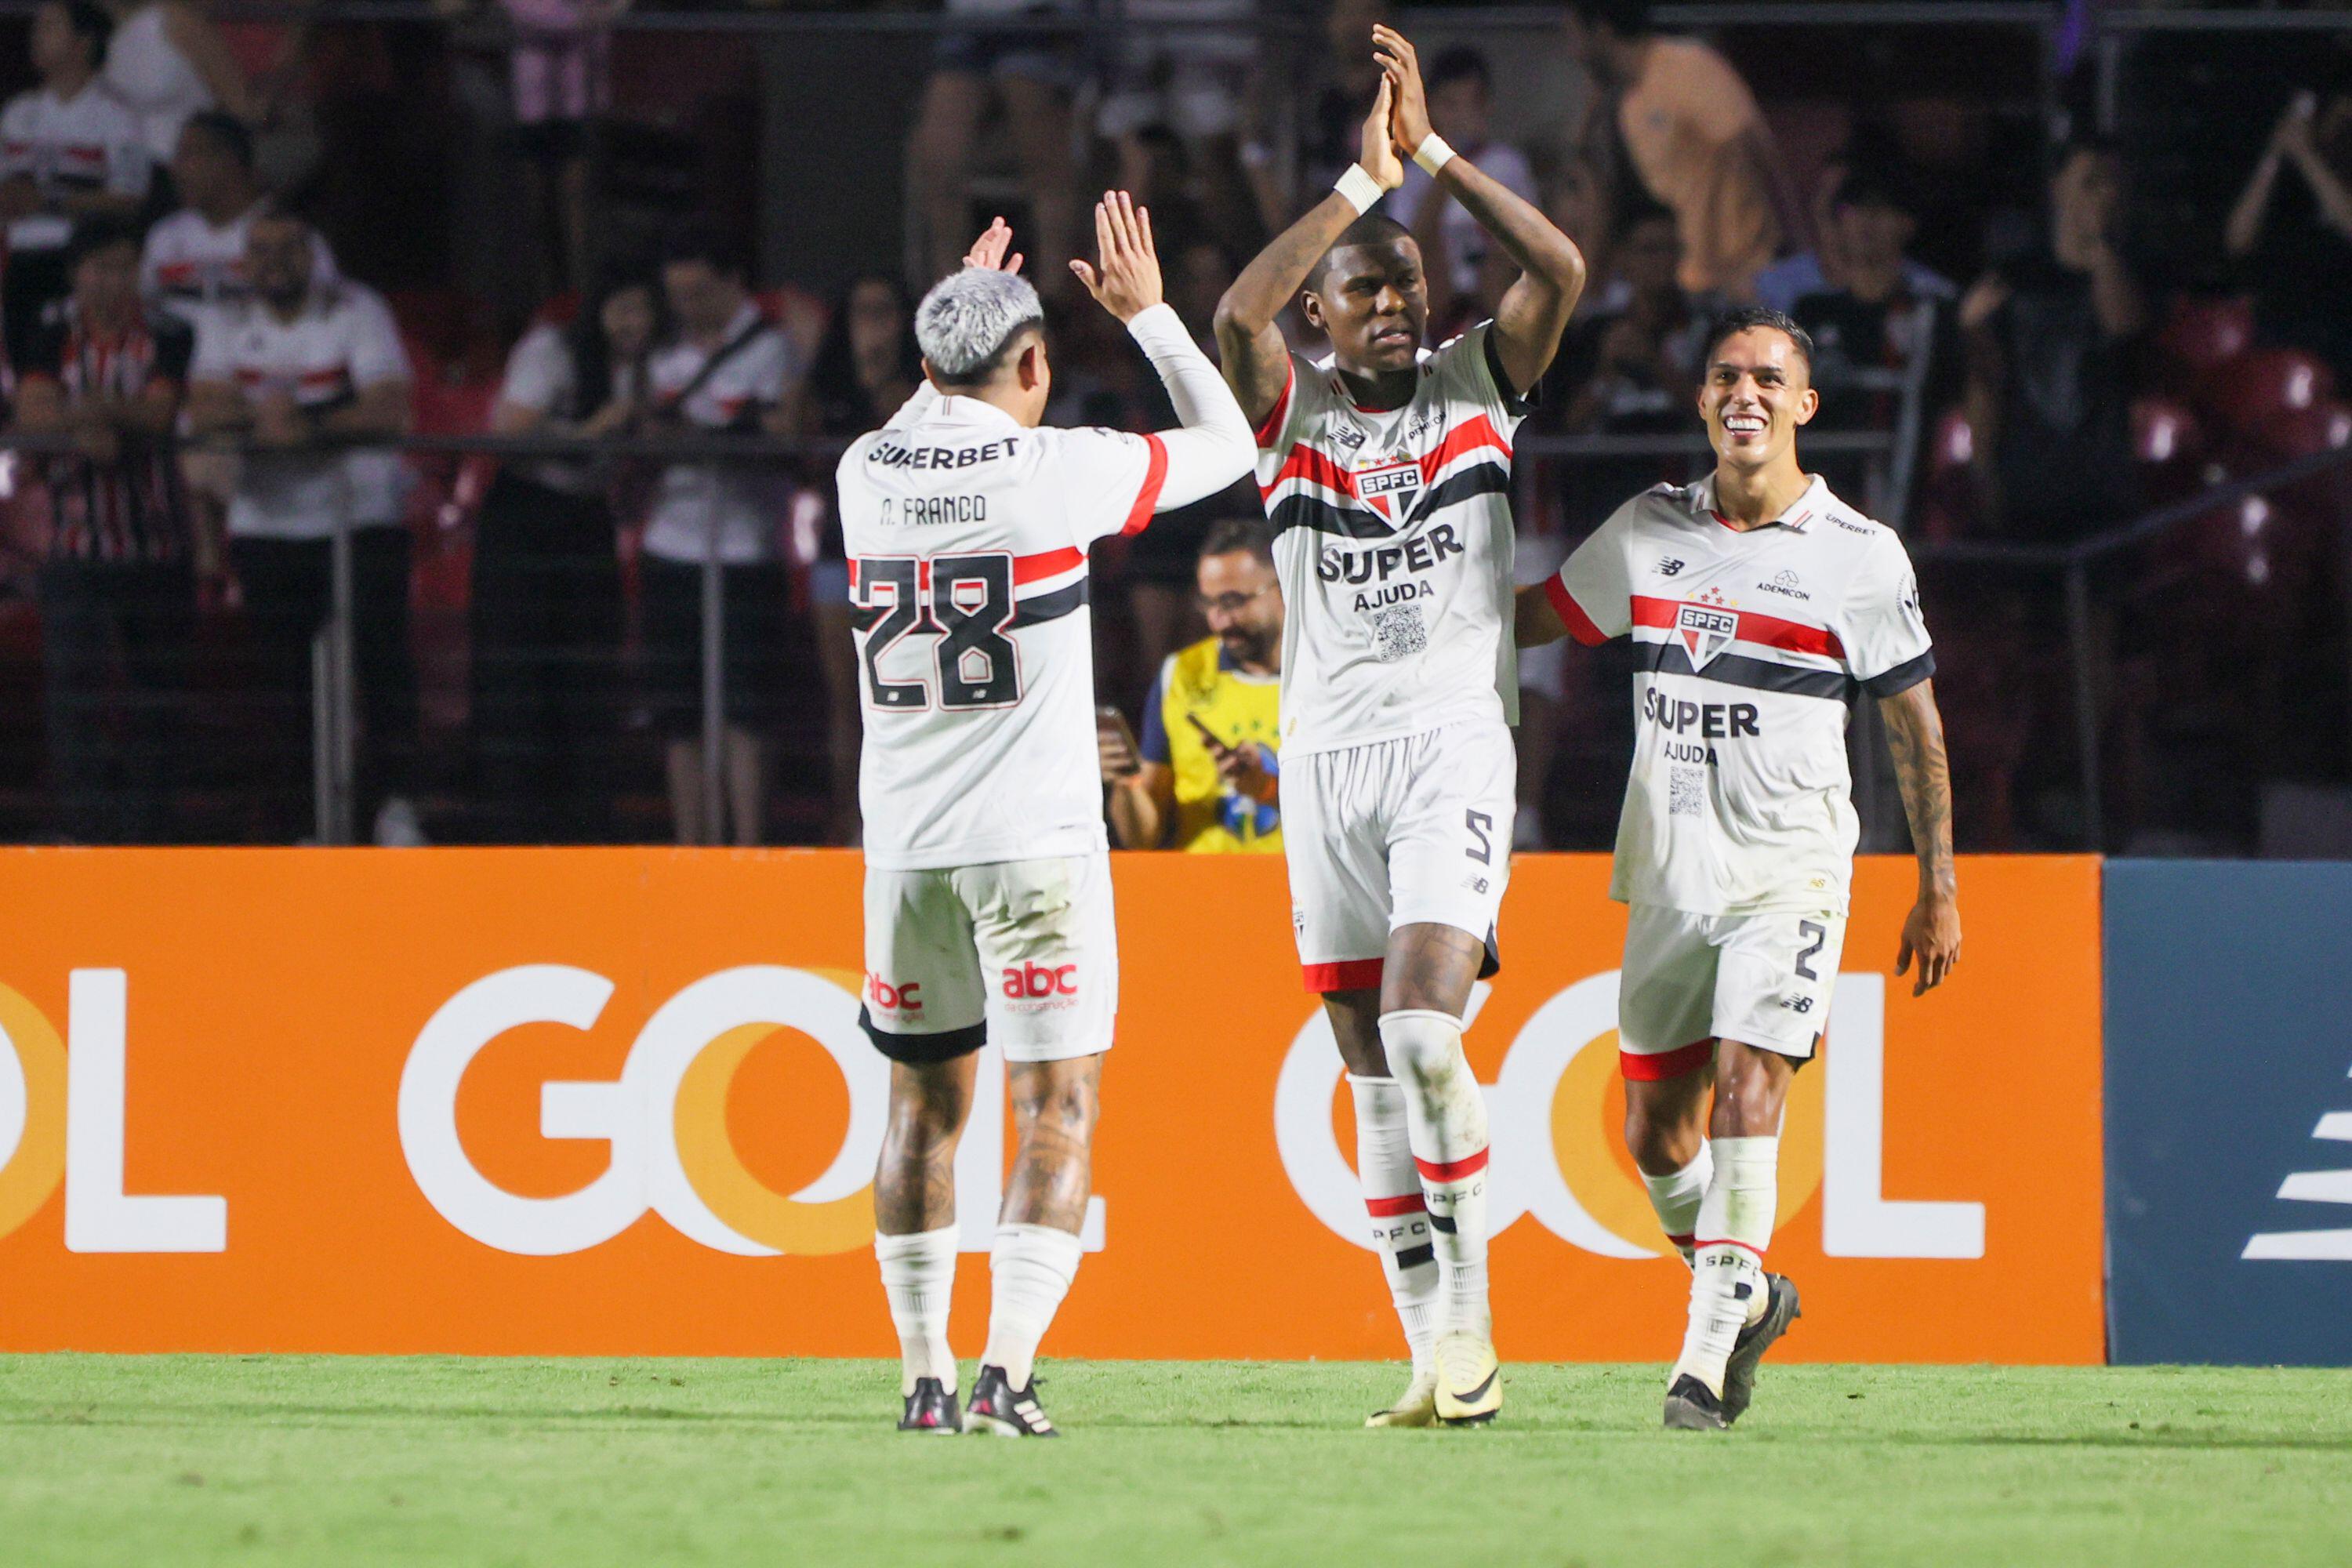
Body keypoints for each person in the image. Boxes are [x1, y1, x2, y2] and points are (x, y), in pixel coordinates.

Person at [1214, 26, 1584, 1427]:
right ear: (1326, 313)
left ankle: (1479, 1332)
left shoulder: (1478, 385)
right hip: (1325, 764)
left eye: (1407, 286)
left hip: (1448, 746)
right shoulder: (1290, 412)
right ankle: (1432, 1361)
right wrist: (1353, 195)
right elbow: (1236, 322)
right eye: (1367, 290)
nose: (1394, 305)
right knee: (1367, 1072)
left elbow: (1562, 272)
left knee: (1426, 1034)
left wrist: (1436, 161)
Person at [841, 206, 1253, 1436]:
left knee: (920, 1112)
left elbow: (936, 394)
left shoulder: (864, 471)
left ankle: (921, 1380)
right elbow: (1230, 441)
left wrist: (959, 311)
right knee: (1054, 1105)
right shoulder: (1054, 471)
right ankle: (1005, 1377)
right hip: (1036, 850)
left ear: (921, 370)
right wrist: (1150, 316)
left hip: (905, 853)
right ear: (1035, 368)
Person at [1515, 305, 1960, 1430]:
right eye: (1726, 376)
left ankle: (1702, 1365)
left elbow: (1916, 728)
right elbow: (1540, 618)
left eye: (1770, 378)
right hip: (1668, 874)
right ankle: (1749, 1294)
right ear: (1703, 398)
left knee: (1750, 1092)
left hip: (1791, 868)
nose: (1745, 394)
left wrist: (1938, 884)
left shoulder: (1859, 554)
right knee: (1651, 1134)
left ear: (1806, 405)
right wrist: (1405, 591)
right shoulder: (1651, 529)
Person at [187, 206, 420, 845]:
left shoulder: (356, 308)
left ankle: (394, 808)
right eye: (260, 251)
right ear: (244, 262)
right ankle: (302, 825)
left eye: (289, 248)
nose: (274, 263)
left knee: (381, 668)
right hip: (268, 524)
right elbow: (205, 403)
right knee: (284, 681)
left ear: (312, 252)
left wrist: (306, 426)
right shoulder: (224, 318)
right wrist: (273, 419)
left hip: (361, 518)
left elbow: (391, 405)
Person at [11, 213, 195, 843]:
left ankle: (150, 834)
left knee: (158, 701)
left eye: (125, 267)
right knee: (76, 701)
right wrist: (102, 420)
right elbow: (32, 410)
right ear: (76, 274)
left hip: (157, 543)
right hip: (74, 544)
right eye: (101, 268)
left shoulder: (170, 331)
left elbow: (161, 412)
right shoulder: (45, 330)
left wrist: (88, 414)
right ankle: (85, 832)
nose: (115, 281)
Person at [470, 270, 659, 841]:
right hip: (525, 522)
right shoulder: (551, 351)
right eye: (621, 309)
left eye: (643, 312)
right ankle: (516, 827)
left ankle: (584, 827)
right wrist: (587, 431)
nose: (632, 325)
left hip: (586, 523)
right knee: (517, 678)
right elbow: (509, 430)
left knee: (587, 677)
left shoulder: (650, 367)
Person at [637, 220, 798, 847]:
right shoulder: (661, 353)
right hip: (669, 547)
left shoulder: (771, 350)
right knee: (680, 711)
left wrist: (703, 439)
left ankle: (748, 845)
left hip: (744, 550)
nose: (688, 311)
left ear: (734, 285)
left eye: (701, 295)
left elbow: (779, 434)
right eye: (678, 298)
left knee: (744, 709)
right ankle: (691, 843)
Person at [787, 271, 922, 844]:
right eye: (861, 312)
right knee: (848, 705)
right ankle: (849, 823)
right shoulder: (826, 384)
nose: (873, 325)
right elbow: (797, 446)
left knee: (905, 704)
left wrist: (881, 379)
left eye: (884, 311)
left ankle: (904, 826)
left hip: (910, 564)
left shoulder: (925, 388)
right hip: (839, 559)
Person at [1958, 140, 2144, 545]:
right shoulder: (2015, 277)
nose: (2103, 195)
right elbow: (1984, 377)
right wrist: (1984, 469)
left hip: (2102, 480)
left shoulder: (2126, 271)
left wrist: (2100, 249)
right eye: (2090, 183)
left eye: (2110, 184)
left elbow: (2124, 330)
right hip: (2027, 476)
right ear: (2058, 188)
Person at [1564, 0, 1805, 300]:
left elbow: (1757, 152)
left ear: (1599, 31)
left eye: (1572, 32)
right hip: (1683, 283)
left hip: (1746, 274)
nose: (1569, 47)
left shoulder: (1688, 68)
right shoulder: (1623, 103)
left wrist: (1797, 252)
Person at [1100, 517, 1283, 851]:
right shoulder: (1182, 674)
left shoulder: (1328, 674)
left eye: (1232, 602)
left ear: (1284, 585)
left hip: (1300, 891)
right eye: (1208, 603)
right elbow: (1143, 838)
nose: (1218, 620)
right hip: (1202, 892)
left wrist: (1269, 790)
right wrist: (1126, 781)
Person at [0, 1, 151, 365]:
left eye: (50, 28)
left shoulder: (118, 116)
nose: (35, 38)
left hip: (79, 259)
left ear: (83, 43)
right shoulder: (18, 113)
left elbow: (131, 197)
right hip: (18, 256)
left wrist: (50, 203)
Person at [908, 0, 1081, 285]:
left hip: (1037, 21)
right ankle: (950, 296)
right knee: (938, 165)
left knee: (1047, 168)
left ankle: (1054, 299)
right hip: (966, 22)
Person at [1391, 45, 1538, 333]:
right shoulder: (1410, 176)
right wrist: (1445, 164)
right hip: (1436, 305)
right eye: (1450, 104)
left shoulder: (1507, 165)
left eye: (1471, 104)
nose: (1461, 115)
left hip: (1497, 298)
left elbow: (1530, 246)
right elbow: (1405, 250)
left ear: (1487, 106)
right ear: (1430, 108)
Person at [140, 109, 335, 324]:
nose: (177, 168)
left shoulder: (288, 234)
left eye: (189, 155)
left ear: (229, 160)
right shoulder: (164, 235)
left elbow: (325, 312)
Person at [2227, 88, 2352, 379]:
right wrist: (2276, 153)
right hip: (2281, 326)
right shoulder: (2290, 181)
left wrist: (2306, 156)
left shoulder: (2319, 171)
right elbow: (2238, 238)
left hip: (2339, 330)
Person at [100, 0, 252, 170]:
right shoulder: (104, 28)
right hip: (127, 172)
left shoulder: (180, 22)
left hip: (188, 170)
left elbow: (240, 104)